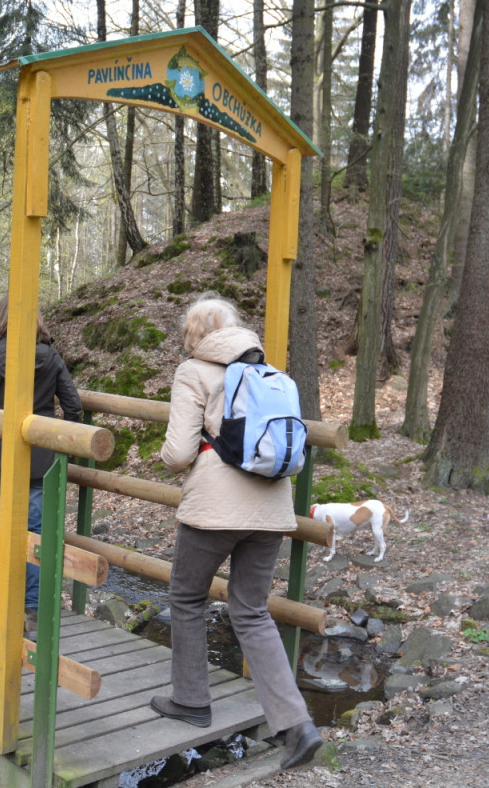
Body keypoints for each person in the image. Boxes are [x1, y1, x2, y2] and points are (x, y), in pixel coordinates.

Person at [150, 292, 322, 770]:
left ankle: (190, 699)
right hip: (272, 509)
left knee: (186, 597)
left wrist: (167, 459)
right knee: (251, 612)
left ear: (194, 336)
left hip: (215, 510)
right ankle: (297, 726)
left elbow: (179, 452)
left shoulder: (194, 371)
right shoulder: (271, 372)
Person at [0, 296, 82, 637]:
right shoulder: (51, 357)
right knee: (34, 534)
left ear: (0, 320)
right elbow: (73, 407)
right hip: (39, 462)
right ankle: (33, 610)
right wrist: (60, 451)